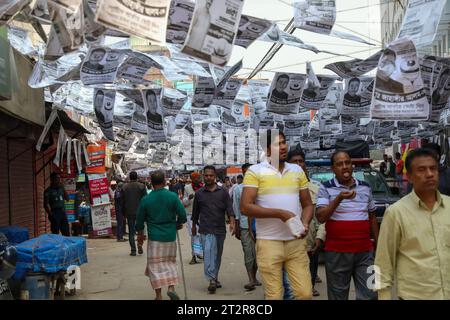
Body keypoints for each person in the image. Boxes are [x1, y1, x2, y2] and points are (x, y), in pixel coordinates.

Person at [240, 130, 314, 300]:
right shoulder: (255, 172)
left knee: (305, 294)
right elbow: (245, 207)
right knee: (274, 296)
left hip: (295, 242)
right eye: (276, 144)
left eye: (283, 142)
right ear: (266, 150)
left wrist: (305, 222)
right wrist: (281, 214)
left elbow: (308, 204)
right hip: (268, 242)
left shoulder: (297, 170)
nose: (282, 147)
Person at [374, 148, 450, 300]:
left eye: (433, 168)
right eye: (421, 170)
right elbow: (383, 262)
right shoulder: (396, 213)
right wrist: (384, 295)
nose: (429, 174)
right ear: (408, 176)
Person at [316, 150, 379, 300]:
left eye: (347, 163)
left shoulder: (365, 187)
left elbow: (372, 218)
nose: (344, 167)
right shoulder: (325, 188)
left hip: (365, 252)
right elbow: (321, 217)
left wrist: (379, 244)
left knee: (371, 294)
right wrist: (338, 199)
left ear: (352, 165)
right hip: (337, 253)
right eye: (339, 164)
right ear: (333, 168)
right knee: (338, 296)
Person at [136, 171, 187, 300]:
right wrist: (178, 223)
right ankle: (171, 288)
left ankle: (158, 295)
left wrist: (140, 237)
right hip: (170, 236)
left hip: (155, 238)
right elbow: (183, 215)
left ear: (151, 184)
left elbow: (139, 221)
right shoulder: (172, 196)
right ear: (164, 182)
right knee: (170, 263)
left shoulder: (146, 199)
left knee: (155, 267)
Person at [287, 149, 325, 297]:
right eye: (294, 162)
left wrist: (320, 237)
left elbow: (322, 217)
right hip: (289, 240)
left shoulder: (316, 187)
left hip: (310, 238)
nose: (298, 165)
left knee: (311, 267)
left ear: (305, 164)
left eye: (300, 161)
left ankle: (310, 285)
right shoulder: (280, 189)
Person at [191, 165, 236, 294]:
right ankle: (211, 279)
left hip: (220, 229)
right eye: (206, 175)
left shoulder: (223, 192)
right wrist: (194, 226)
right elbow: (195, 212)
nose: (208, 177)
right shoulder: (199, 194)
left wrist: (232, 222)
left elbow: (229, 209)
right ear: (203, 176)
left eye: (211, 175)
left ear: (215, 177)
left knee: (217, 255)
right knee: (208, 254)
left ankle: (214, 277)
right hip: (205, 229)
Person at [233, 164, 261, 291]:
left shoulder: (261, 186)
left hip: (260, 225)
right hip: (244, 226)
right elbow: (236, 209)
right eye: (245, 172)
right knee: (248, 253)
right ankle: (250, 279)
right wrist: (236, 226)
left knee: (259, 254)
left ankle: (255, 277)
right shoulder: (238, 189)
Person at [122, 171, 147, 256]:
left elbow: (122, 201)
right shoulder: (142, 186)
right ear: (137, 177)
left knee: (131, 231)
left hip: (129, 212)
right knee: (140, 230)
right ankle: (140, 245)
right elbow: (145, 200)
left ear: (129, 177)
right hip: (140, 212)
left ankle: (133, 250)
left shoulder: (124, 187)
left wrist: (123, 212)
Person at [184, 172, 204, 265]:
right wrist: (188, 198)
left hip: (203, 215)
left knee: (201, 235)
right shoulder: (187, 188)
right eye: (196, 178)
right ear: (192, 179)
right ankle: (194, 255)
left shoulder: (204, 187)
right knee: (194, 235)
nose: (198, 180)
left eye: (199, 178)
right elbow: (183, 202)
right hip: (191, 215)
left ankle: (199, 253)